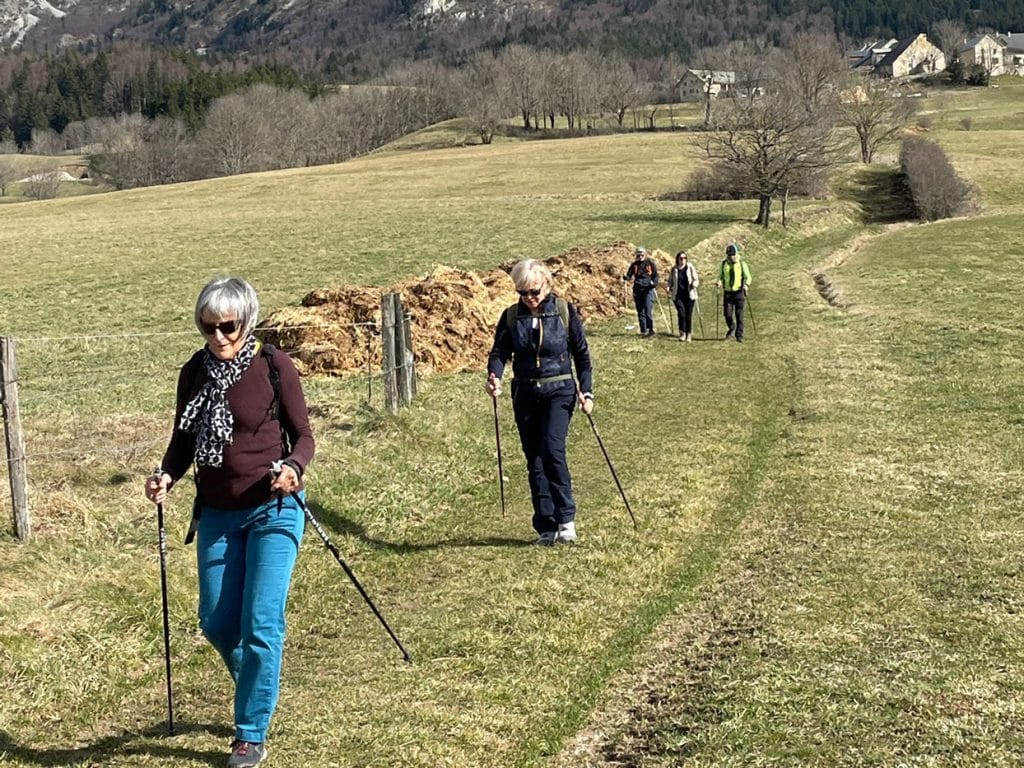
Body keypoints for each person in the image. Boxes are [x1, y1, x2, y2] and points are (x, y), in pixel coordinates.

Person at [144, 277, 315, 768]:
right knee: (218, 623)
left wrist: (294, 469)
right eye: (207, 327)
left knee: (261, 624)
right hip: (217, 514)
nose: (218, 337)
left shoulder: (272, 366)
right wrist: (165, 476)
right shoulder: (194, 372)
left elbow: (304, 436)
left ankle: (249, 733)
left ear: (247, 320)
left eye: (227, 326)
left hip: (273, 509)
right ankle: (259, 687)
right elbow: (182, 441)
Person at [486, 259, 594, 545]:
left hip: (559, 390)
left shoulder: (563, 312)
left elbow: (581, 355)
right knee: (534, 458)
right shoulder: (511, 317)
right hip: (525, 393)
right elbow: (499, 353)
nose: (529, 298)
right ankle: (546, 526)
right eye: (522, 293)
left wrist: (587, 390)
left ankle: (566, 518)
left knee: (551, 449)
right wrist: (494, 376)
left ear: (546, 285)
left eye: (533, 291)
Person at [716, 243, 751, 342]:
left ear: (736, 254)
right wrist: (719, 281)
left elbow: (748, 277)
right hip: (728, 292)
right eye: (729, 255)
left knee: (739, 314)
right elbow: (720, 276)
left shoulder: (741, 263)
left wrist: (746, 285)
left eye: (732, 254)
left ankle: (739, 335)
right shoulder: (724, 264)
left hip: (739, 292)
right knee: (727, 314)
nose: (731, 257)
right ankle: (732, 327)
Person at [623, 246, 659, 338]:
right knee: (640, 311)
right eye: (638, 255)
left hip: (648, 289)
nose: (640, 256)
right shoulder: (634, 265)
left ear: (645, 254)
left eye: (642, 254)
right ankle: (643, 330)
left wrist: (654, 284)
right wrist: (626, 278)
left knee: (648, 309)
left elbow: (655, 275)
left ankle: (650, 329)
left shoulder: (650, 263)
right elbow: (629, 275)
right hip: (638, 289)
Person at [667, 251, 699, 342]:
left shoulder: (690, 267)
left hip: (689, 295)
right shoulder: (674, 269)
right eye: (681, 258)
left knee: (688, 315)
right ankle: (682, 333)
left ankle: (688, 334)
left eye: (684, 258)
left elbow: (696, 279)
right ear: (677, 259)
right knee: (681, 314)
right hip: (678, 295)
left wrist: (694, 284)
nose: (683, 260)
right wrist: (668, 287)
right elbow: (670, 281)